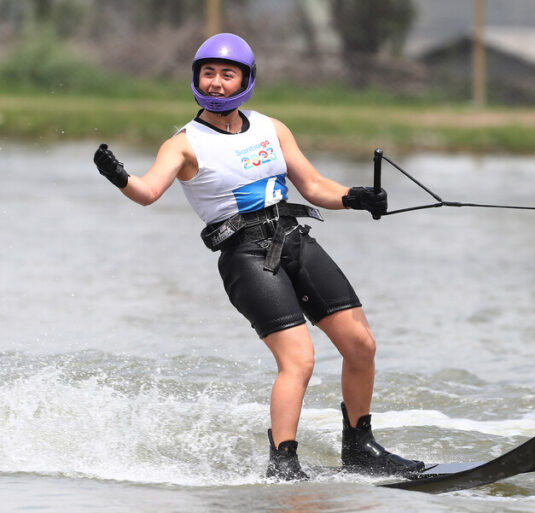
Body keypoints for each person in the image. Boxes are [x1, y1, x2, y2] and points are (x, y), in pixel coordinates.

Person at [93, 33, 424, 481]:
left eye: (226, 75)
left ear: (245, 80)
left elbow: (314, 186)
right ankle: (284, 463)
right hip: (246, 256)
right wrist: (119, 177)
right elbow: (149, 192)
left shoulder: (272, 128)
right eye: (207, 73)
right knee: (299, 359)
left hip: (294, 241)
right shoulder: (184, 143)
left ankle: (360, 448)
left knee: (361, 344)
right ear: (196, 78)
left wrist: (356, 196)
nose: (215, 83)